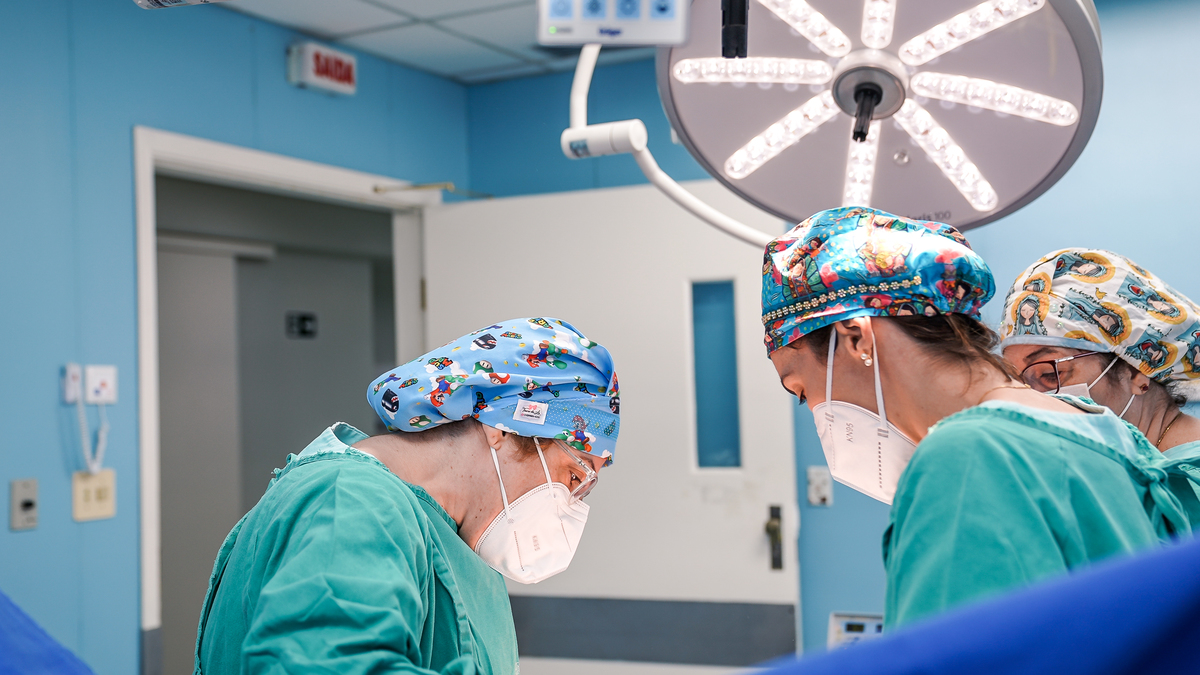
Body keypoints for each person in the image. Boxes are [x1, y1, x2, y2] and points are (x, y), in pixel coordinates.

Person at [761, 207, 1194, 628]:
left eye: (800, 390)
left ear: (857, 338)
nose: (815, 408)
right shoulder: (1105, 431)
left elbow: (944, 658)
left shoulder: (968, 456)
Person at [194, 317, 620, 674]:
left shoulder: (447, 536)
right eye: (574, 475)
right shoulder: (351, 501)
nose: (570, 503)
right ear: (505, 428)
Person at [999, 249, 1200, 459]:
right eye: (1016, 381)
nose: (1029, 399)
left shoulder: (1186, 473)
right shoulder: (1119, 462)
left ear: (1134, 371)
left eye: (1049, 374)